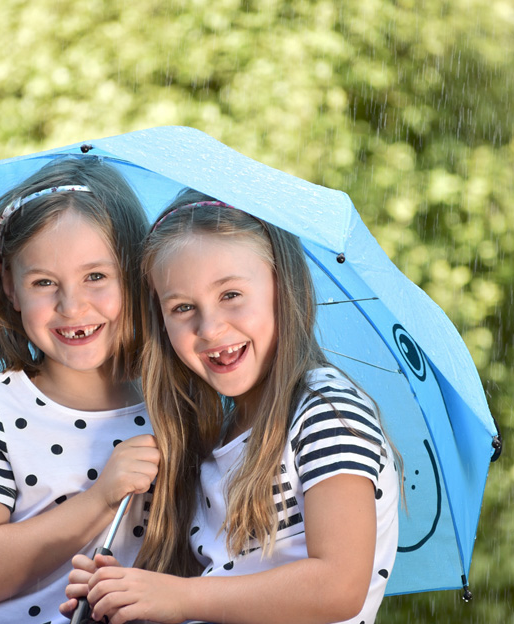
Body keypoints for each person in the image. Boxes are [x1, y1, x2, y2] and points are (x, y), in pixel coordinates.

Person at [62, 190, 401, 624]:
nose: (210, 327)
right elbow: (220, 586)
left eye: (231, 295)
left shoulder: (326, 413)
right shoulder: (217, 436)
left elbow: (339, 586)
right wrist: (124, 596)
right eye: (182, 307)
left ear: (283, 287)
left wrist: (180, 596)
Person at [0, 156, 160, 624]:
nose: (71, 305)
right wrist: (99, 499)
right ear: (11, 289)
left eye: (96, 276)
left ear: (137, 276)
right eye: (44, 282)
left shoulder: (177, 413)